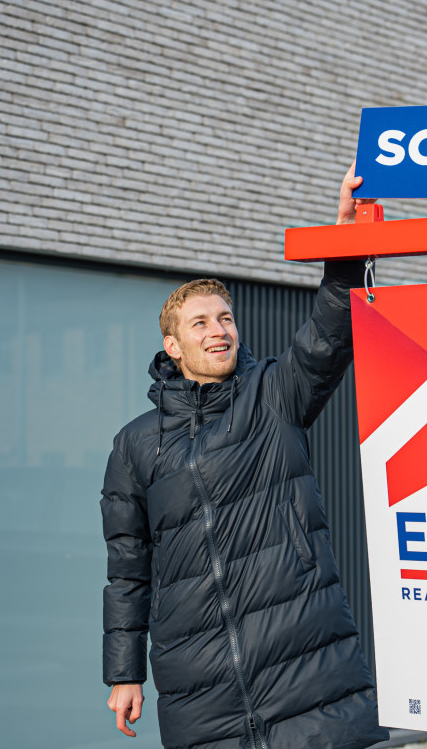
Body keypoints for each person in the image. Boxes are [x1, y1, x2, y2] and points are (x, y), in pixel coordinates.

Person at [101, 165, 388, 749]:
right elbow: (128, 569)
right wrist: (125, 671)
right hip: (198, 686)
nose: (219, 331)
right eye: (200, 322)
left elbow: (328, 336)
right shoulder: (135, 444)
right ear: (173, 345)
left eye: (226, 318)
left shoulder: (272, 394)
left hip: (305, 670)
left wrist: (344, 250)